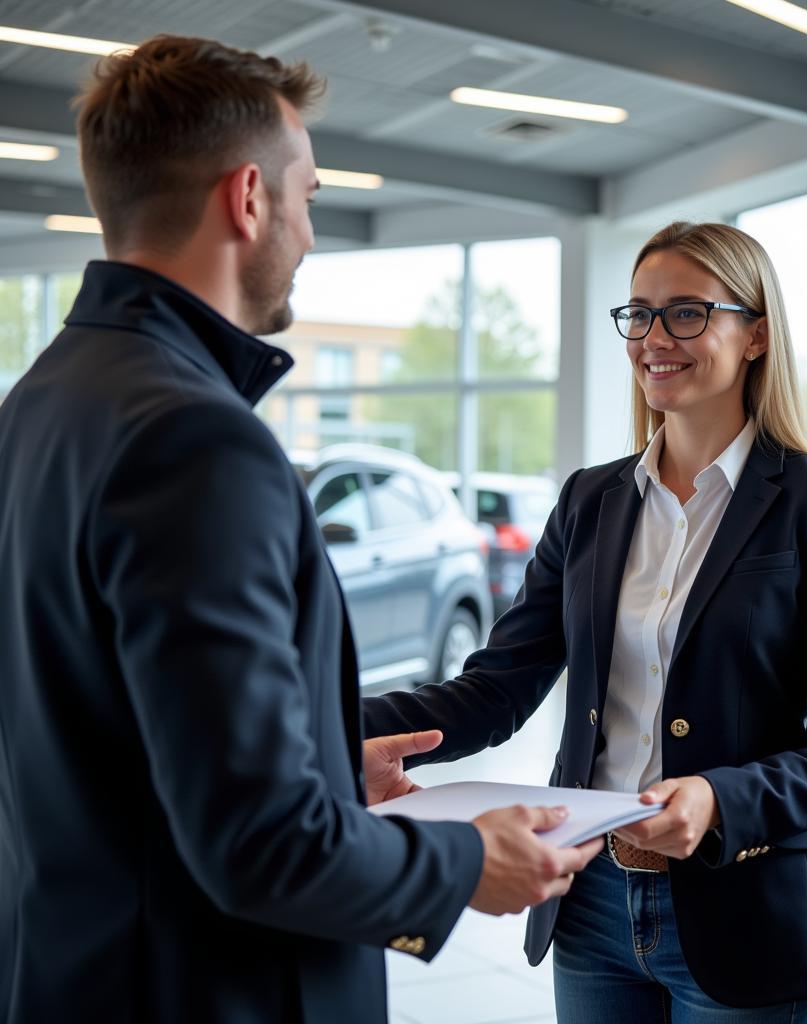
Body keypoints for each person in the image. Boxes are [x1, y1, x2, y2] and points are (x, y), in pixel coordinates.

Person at [0, 35, 602, 1024]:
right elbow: (258, 844)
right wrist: (465, 860)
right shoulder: (195, 438)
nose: (312, 233)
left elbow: (108, 735)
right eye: (309, 195)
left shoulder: (41, 402)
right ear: (248, 198)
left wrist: (319, 764)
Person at [364, 221, 807, 1022]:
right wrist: (330, 728)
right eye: (639, 314)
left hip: (743, 909)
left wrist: (720, 797)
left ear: (754, 334)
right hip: (590, 903)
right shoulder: (590, 500)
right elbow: (495, 691)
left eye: (686, 313)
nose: (654, 337)